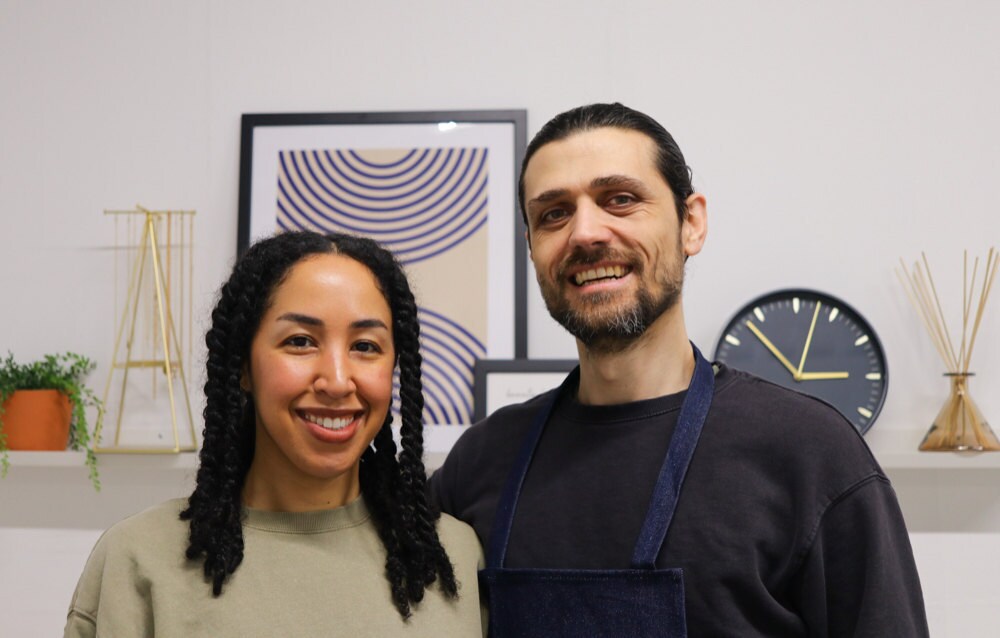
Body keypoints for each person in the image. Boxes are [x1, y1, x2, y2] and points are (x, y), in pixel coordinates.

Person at [429, 103, 929, 636]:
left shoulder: (810, 453)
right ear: (532, 248)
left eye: (619, 200)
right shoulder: (481, 462)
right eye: (553, 213)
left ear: (691, 223)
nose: (585, 233)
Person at [66, 231, 484, 637]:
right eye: (301, 341)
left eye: (365, 346)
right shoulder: (139, 559)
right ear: (244, 367)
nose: (337, 381)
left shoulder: (454, 556)